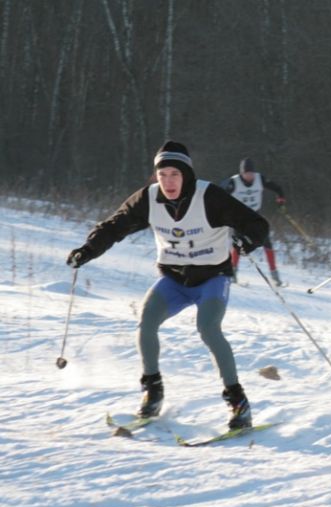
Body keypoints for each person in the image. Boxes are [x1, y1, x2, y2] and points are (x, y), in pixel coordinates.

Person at [65, 141, 269, 430]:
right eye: (162, 175)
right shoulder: (148, 199)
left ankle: (238, 402)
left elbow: (257, 224)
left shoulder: (209, 196)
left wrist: (248, 241)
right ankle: (153, 391)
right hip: (173, 280)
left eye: (174, 174)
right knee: (146, 323)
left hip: (212, 278)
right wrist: (87, 250)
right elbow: (114, 226)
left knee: (209, 328)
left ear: (186, 174)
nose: (168, 182)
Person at [222, 157, 287, 286]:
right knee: (238, 244)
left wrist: (281, 200)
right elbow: (218, 193)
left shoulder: (260, 179)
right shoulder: (233, 182)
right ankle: (232, 274)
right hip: (238, 217)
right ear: (241, 173)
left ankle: (275, 276)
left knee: (267, 242)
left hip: (254, 216)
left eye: (251, 173)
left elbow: (277, 188)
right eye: (246, 173)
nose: (249, 176)